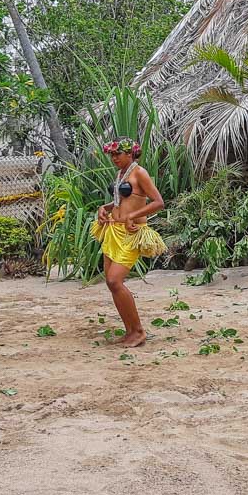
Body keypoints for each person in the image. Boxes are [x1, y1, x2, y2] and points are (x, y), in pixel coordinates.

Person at [90, 137, 166, 348]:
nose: (114, 158)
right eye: (112, 155)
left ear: (130, 153)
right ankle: (130, 331)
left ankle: (139, 331)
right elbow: (121, 201)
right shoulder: (120, 174)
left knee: (115, 281)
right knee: (111, 284)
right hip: (113, 231)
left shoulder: (139, 172)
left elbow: (158, 202)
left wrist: (133, 216)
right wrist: (103, 208)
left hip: (131, 234)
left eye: (117, 154)